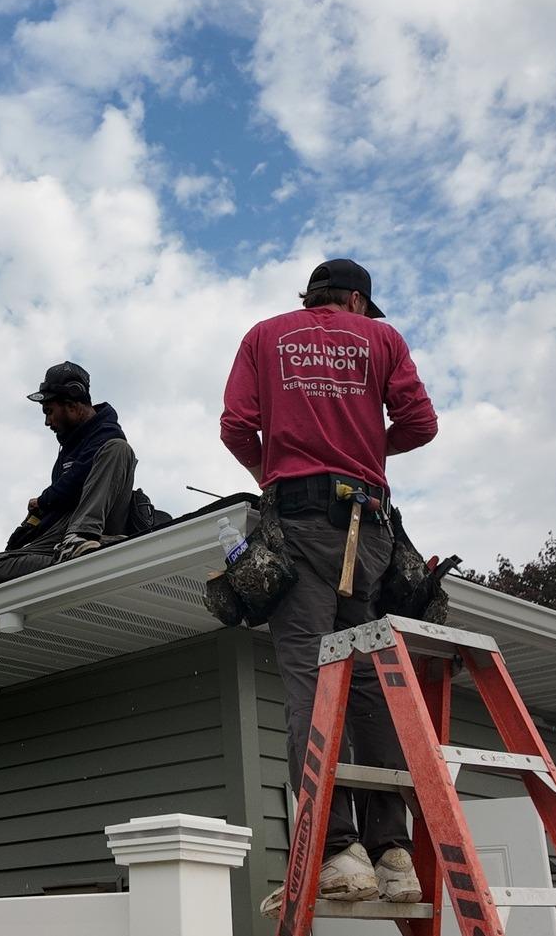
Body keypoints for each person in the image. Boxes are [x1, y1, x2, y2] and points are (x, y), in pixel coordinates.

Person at [220, 258, 439, 909]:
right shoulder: (382, 338)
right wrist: (366, 445)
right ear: (357, 300)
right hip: (368, 526)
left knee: (310, 681)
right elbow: (421, 423)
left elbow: (236, 425)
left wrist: (272, 469)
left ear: (314, 295)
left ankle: (340, 849)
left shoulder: (266, 335)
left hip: (299, 519)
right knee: (367, 681)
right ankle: (393, 854)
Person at [0, 362, 139, 587]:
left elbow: (74, 482)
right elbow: (61, 497)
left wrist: (42, 501)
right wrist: (31, 528)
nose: (47, 422)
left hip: (97, 524)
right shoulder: (67, 447)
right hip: (60, 537)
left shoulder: (107, 434)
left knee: (118, 448)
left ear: (71, 405)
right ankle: (79, 554)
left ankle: (82, 539)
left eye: (49, 411)